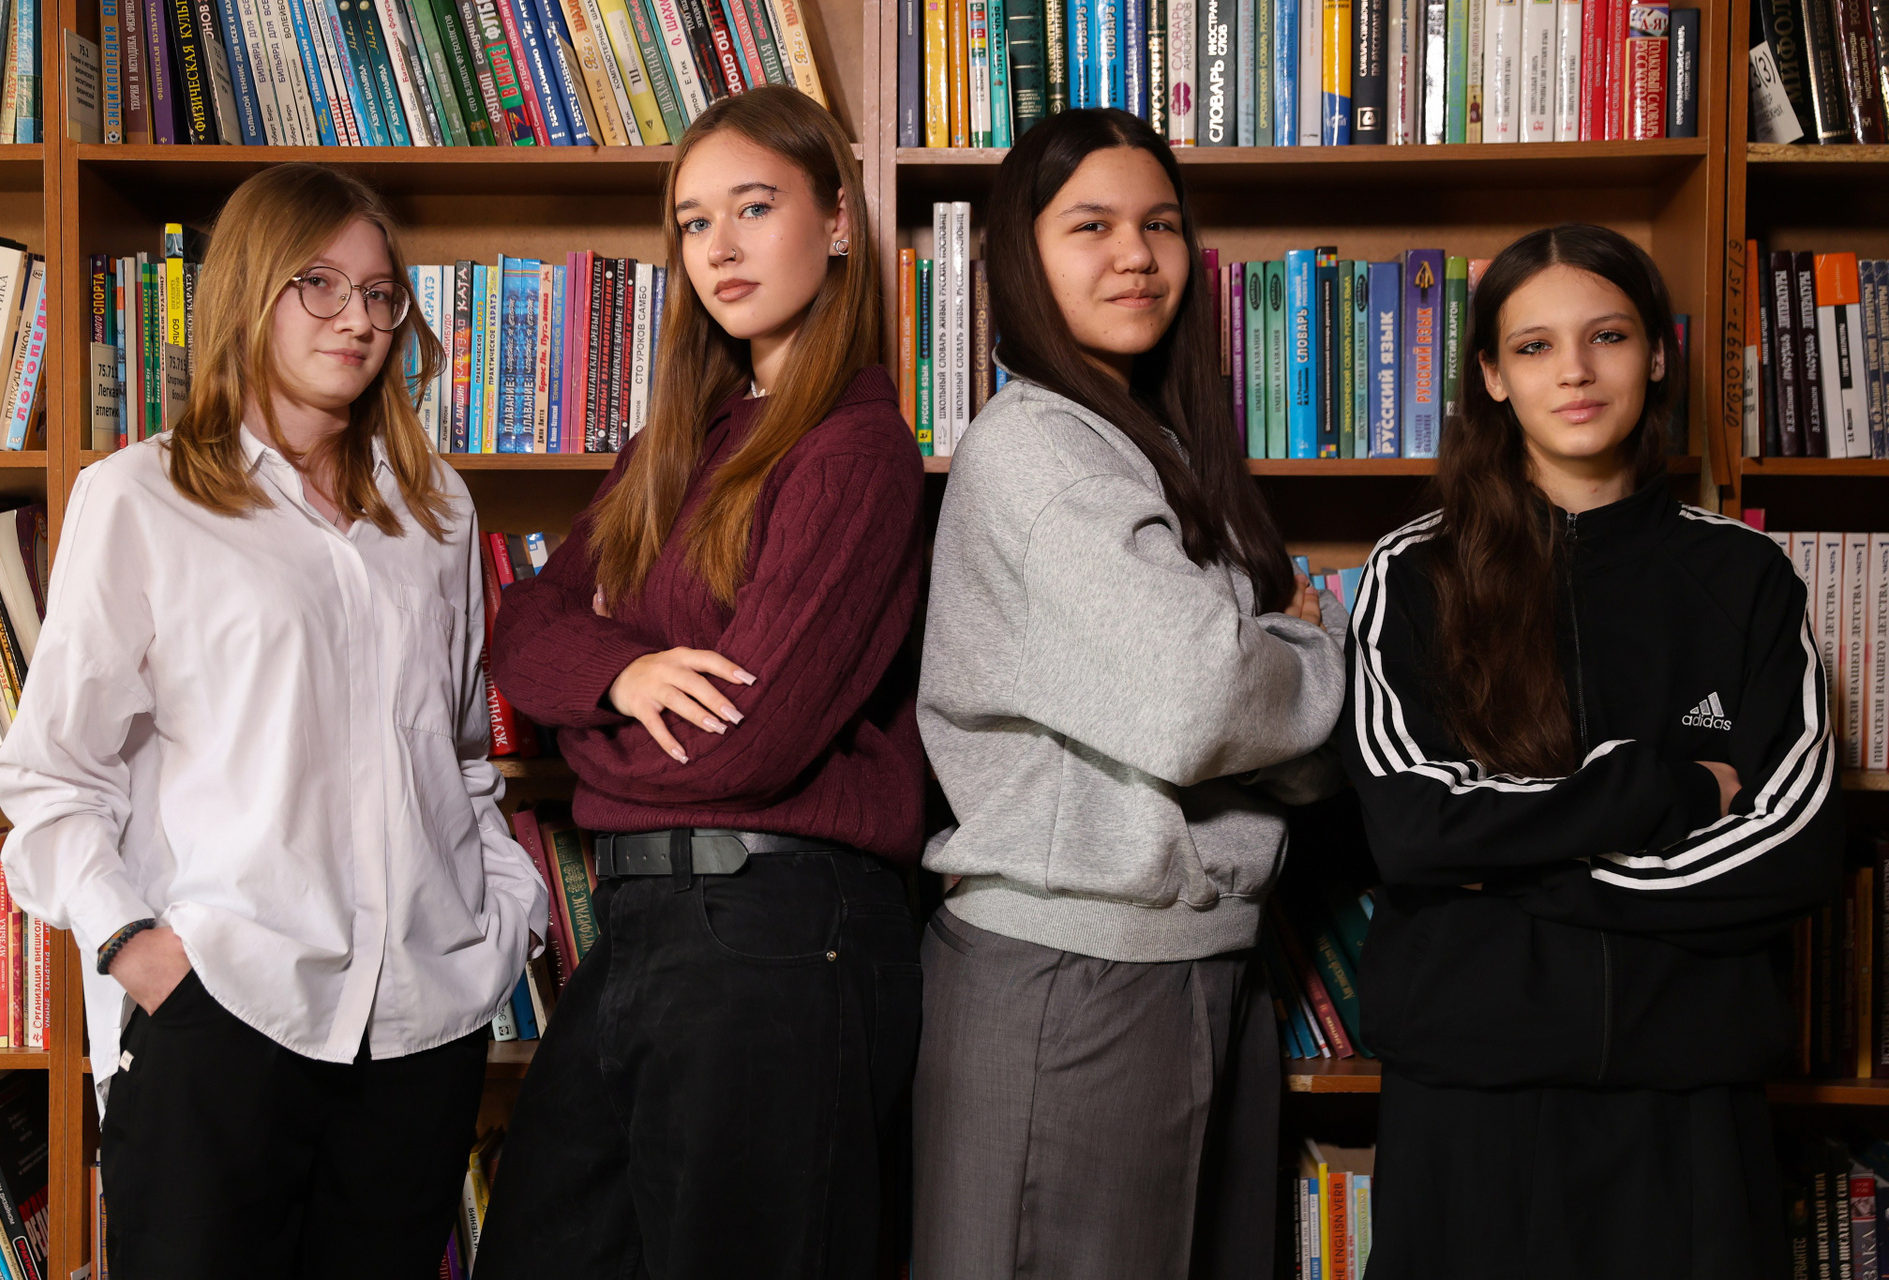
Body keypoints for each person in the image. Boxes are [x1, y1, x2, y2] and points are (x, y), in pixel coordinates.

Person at [0, 163, 546, 1278]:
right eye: (319, 284)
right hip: (226, 1017)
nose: (358, 318)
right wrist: (141, 955)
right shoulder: (141, 497)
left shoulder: (435, 509)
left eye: (379, 293)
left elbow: (459, 759)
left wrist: (506, 923)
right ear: (250, 290)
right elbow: (54, 774)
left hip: (421, 1027)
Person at [471, 85, 925, 1279]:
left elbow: (742, 744)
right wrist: (626, 676)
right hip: (648, 923)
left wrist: (582, 733)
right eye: (692, 221)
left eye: (755, 207)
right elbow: (522, 624)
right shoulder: (674, 445)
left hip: (779, 932)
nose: (719, 247)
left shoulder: (855, 447)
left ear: (837, 221)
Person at [1341, 223, 1842, 1279]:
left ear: (1657, 354)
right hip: (1470, 1100)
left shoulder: (1746, 575)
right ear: (1491, 376)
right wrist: (1660, 789)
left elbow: (1796, 847)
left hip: (1689, 1103)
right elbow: (1415, 828)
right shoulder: (1414, 571)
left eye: (1607, 335)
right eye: (1534, 346)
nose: (1574, 370)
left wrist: (1515, 870)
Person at [911, 108, 1347, 1280]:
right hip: (1077, 972)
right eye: (1091, 225)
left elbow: (1291, 753)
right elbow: (1201, 699)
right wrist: (1307, 650)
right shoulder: (1037, 448)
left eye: (1159, 225)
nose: (1136, 256)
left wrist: (1265, 679)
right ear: (1022, 256)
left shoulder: (1159, 447)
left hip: (1200, 959)